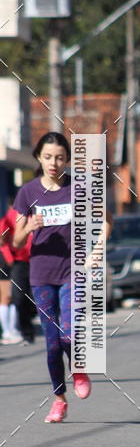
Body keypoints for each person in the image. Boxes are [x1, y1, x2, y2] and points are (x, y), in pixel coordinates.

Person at [12, 132, 113, 423]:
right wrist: (29, 226)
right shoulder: (28, 192)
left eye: (59, 157)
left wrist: (96, 251)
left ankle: (79, 367)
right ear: (39, 158)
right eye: (47, 157)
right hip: (41, 274)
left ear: (67, 159)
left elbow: (107, 222)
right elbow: (16, 242)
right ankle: (59, 399)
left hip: (73, 272)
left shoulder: (79, 188)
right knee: (52, 343)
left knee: (68, 333)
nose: (53, 163)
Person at [0, 199, 35, 343]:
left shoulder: (33, 213)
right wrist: (9, 254)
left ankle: (13, 330)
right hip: (15, 261)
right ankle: (9, 331)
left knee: (20, 297)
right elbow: (2, 237)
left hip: (33, 259)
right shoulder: (11, 215)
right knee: (11, 297)